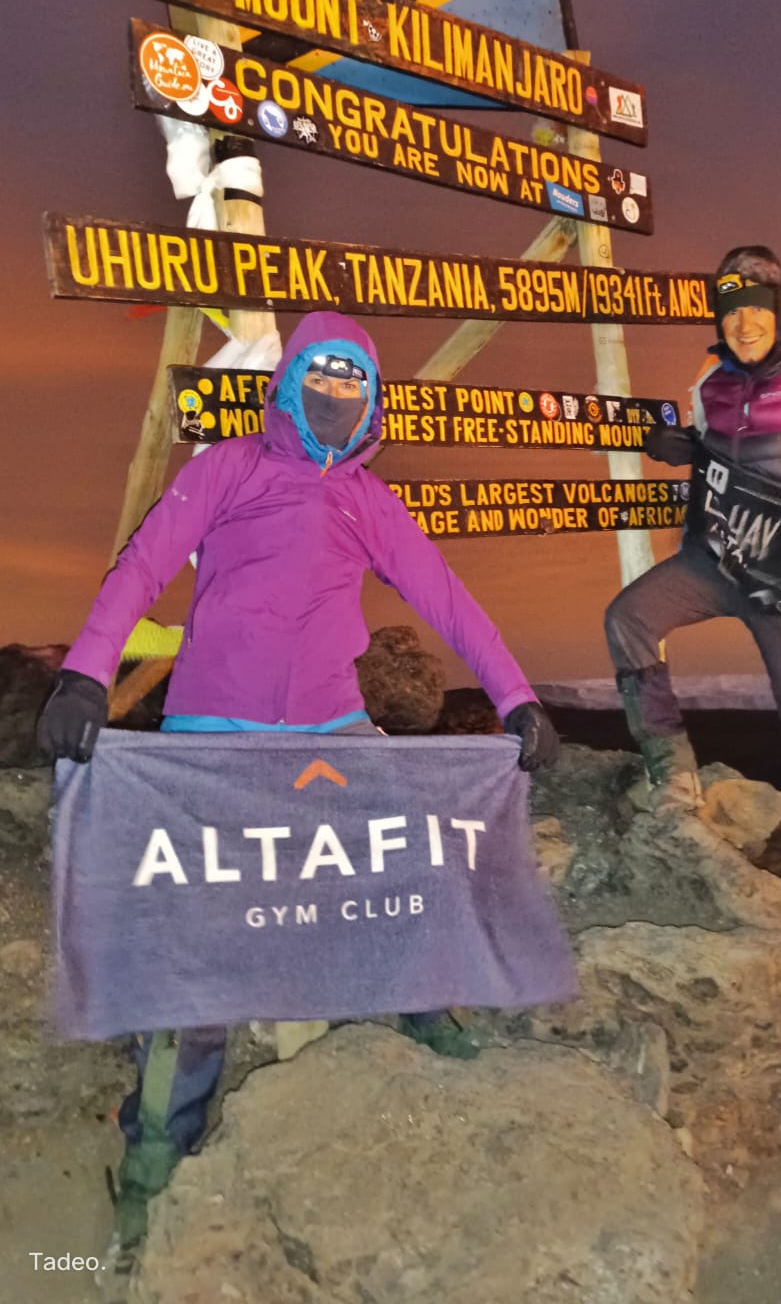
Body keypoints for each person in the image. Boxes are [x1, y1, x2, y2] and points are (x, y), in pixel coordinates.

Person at [39, 309, 558, 1292]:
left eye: (354, 377)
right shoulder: (228, 468)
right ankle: (158, 1144)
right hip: (214, 738)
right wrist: (84, 674)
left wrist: (516, 696)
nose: (336, 388)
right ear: (288, 384)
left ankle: (417, 1001)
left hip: (329, 733)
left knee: (409, 855)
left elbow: (446, 596)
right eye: (320, 371)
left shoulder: (368, 501)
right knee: (198, 949)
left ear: (370, 399)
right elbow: (145, 562)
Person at [604, 245, 781, 938]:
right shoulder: (712, 379)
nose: (743, 325)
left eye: (755, 311)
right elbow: (723, 457)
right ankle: (673, 777)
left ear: (778, 310)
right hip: (716, 561)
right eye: (730, 312)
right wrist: (685, 447)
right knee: (628, 618)